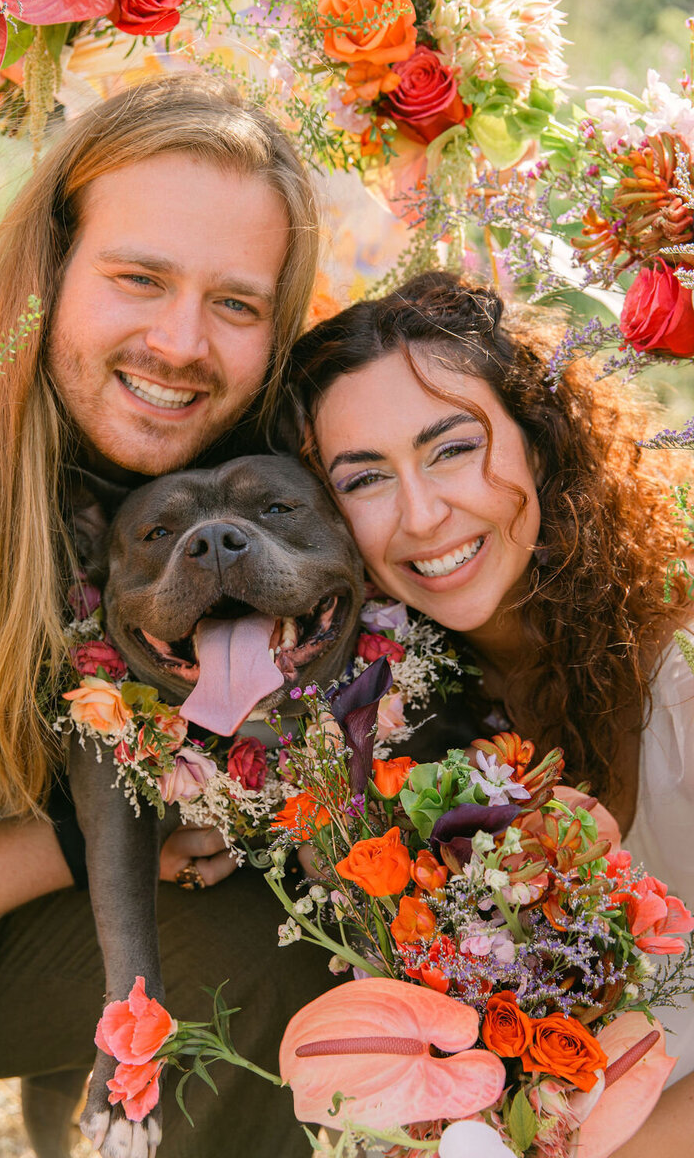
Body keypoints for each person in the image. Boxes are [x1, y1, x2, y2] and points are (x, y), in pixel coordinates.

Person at [0, 73, 332, 1158]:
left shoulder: (202, 464)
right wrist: (80, 846)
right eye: (139, 278)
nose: (182, 343)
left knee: (295, 939)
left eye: (234, 303)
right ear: (48, 270)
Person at [287, 268, 694, 1156]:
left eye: (451, 448)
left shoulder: (684, 672)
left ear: (539, 444)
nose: (424, 514)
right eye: (365, 480)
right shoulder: (396, 730)